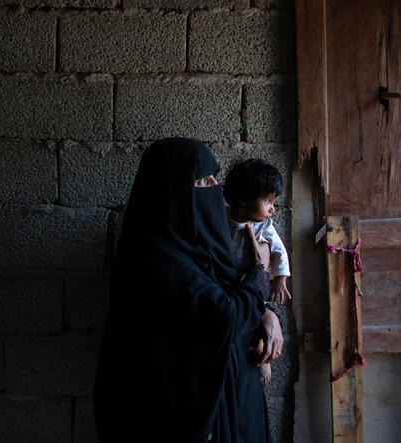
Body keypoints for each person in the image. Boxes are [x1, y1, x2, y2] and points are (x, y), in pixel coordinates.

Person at [93, 138, 283, 443]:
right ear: (171, 191)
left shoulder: (199, 245)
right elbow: (225, 315)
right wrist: (258, 278)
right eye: (202, 180)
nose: (214, 189)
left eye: (214, 179)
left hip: (229, 406)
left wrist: (264, 311)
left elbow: (228, 294)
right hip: (184, 419)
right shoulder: (156, 256)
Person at [223, 158, 291, 384]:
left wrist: (280, 278)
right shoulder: (221, 220)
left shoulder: (263, 226)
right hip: (229, 283)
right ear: (242, 200)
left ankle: (264, 360)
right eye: (268, 201)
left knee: (257, 317)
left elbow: (279, 251)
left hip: (252, 282)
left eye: (274, 202)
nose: (272, 208)